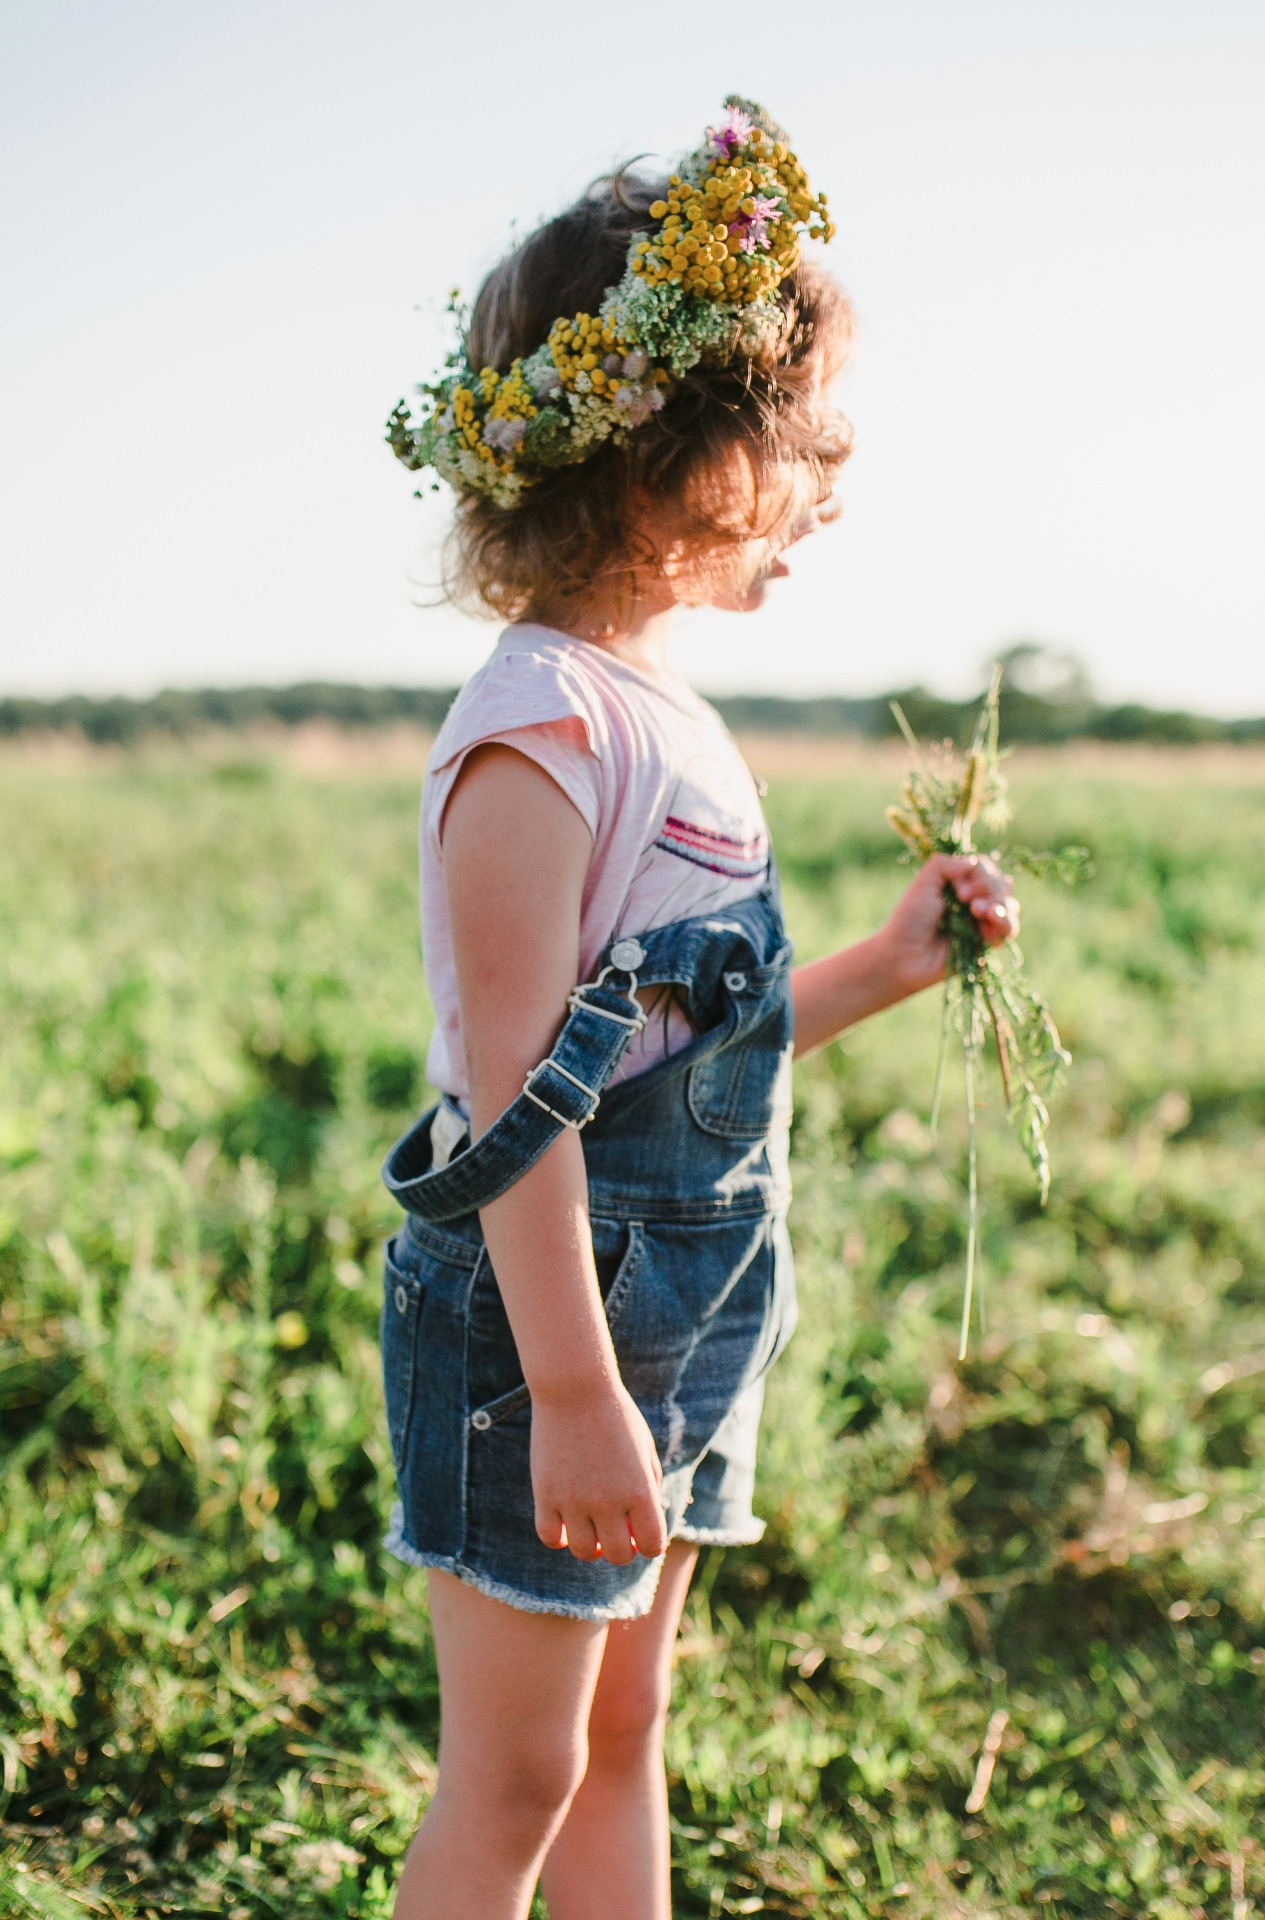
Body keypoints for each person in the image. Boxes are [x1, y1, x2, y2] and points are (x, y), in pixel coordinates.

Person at [379, 98, 1019, 1920]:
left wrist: (889, 970)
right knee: (512, 1770)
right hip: (543, 1338)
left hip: (671, 1318)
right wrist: (576, 1393)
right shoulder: (541, 735)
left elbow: (680, 1050)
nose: (828, 488)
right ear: (674, 456)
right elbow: (520, 1105)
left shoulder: (658, 710)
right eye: (805, 451)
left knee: (621, 1730)